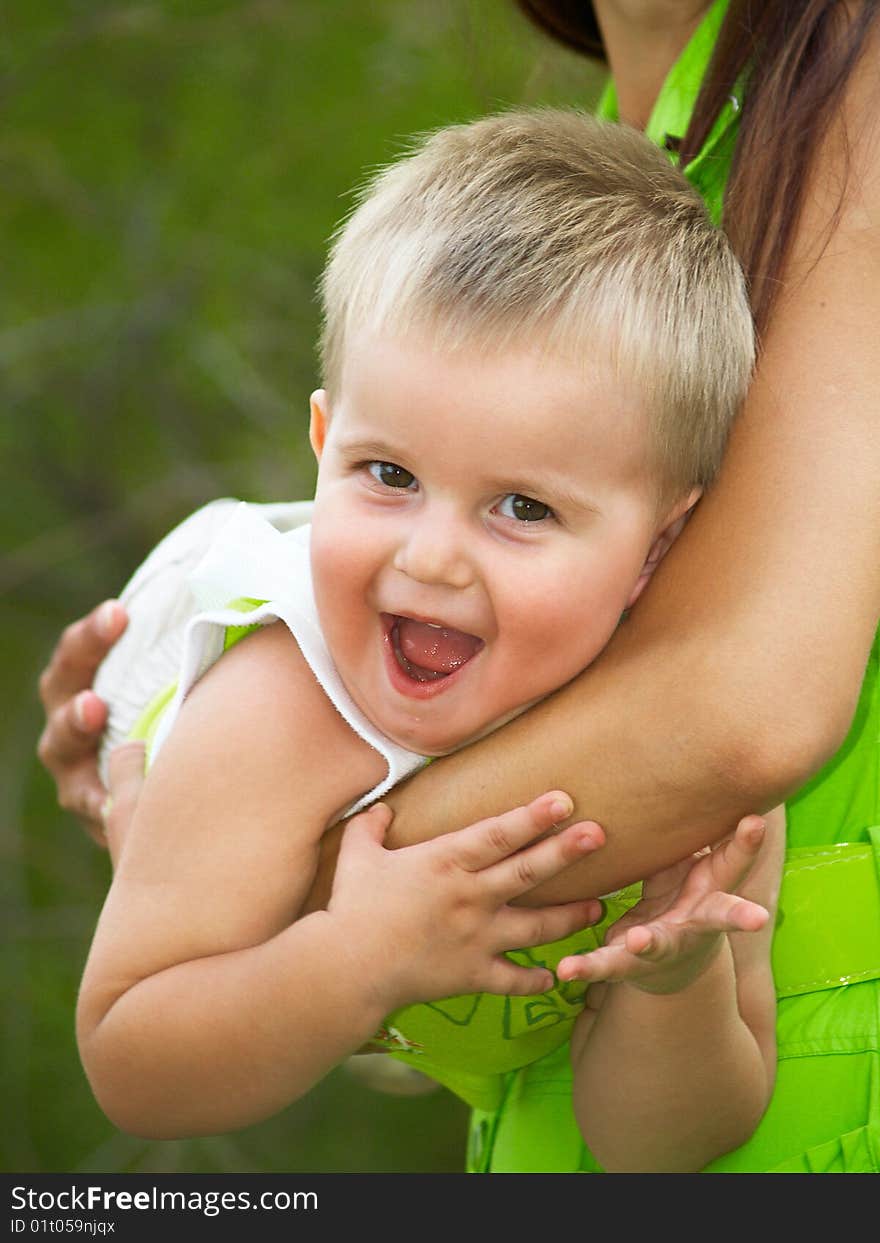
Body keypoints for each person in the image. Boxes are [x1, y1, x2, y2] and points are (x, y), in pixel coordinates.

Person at [38, 0, 880, 1173]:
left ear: (662, 548)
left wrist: (670, 985)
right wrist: (349, 955)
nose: (431, 557)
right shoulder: (286, 709)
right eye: (387, 475)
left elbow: (662, 1146)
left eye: (522, 508)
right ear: (322, 445)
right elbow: (132, 1060)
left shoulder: (677, 711)